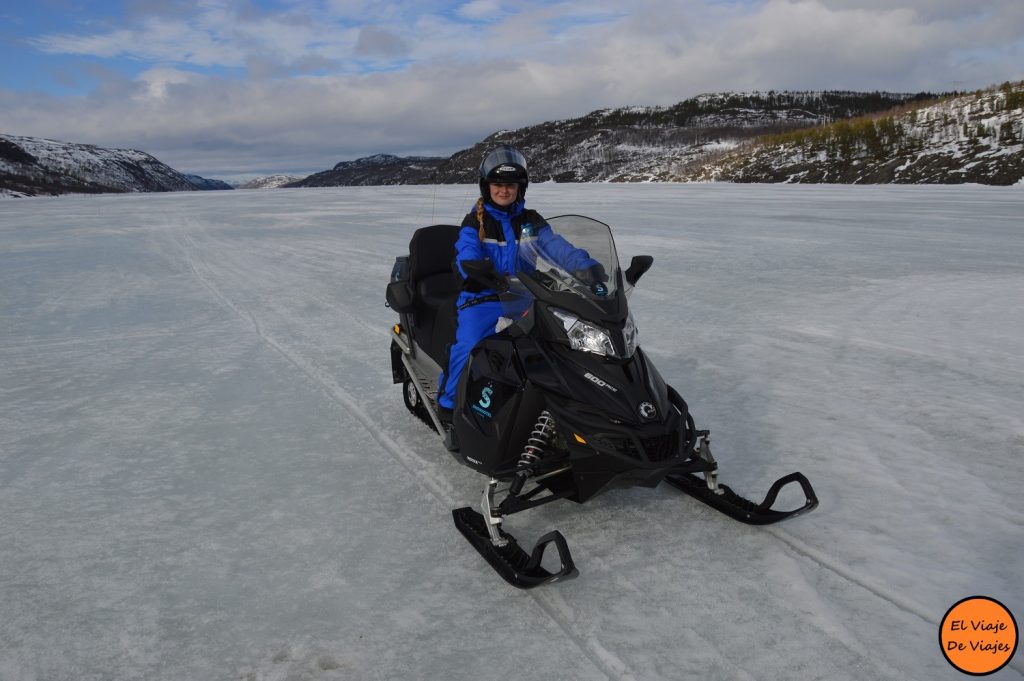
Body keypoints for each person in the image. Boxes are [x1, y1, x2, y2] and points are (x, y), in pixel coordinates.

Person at [436, 145, 606, 427]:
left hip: (525, 295)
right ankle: (448, 402)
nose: (504, 190)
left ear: (520, 188)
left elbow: (557, 247)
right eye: (498, 184)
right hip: (482, 296)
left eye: (511, 185)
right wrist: (475, 270)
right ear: (487, 186)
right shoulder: (474, 222)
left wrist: (586, 268)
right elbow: (466, 251)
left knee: (565, 340)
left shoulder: (531, 221)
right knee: (469, 346)